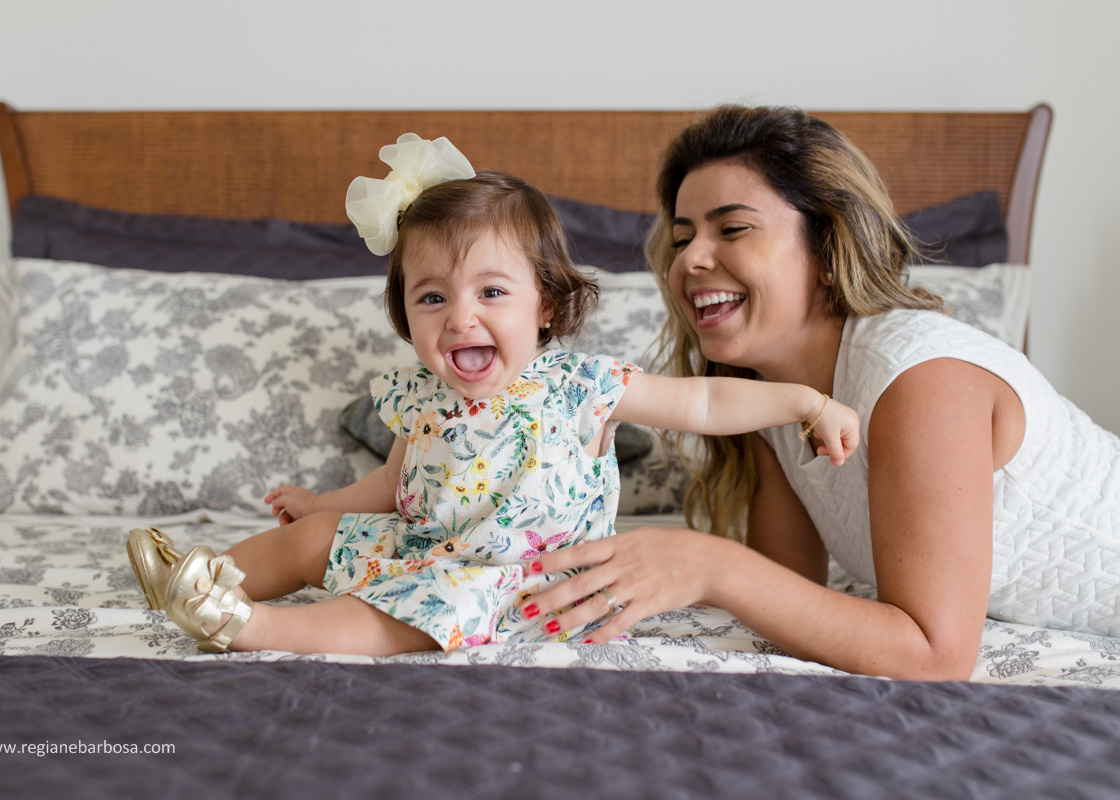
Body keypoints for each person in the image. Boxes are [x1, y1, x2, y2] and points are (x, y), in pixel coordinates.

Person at [126, 132, 859, 657]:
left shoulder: (581, 387)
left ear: (544, 306)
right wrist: (322, 508)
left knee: (402, 618)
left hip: (525, 585)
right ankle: (203, 577)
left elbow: (703, 406)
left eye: (492, 291)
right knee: (313, 541)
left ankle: (251, 629)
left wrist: (805, 403)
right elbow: (394, 484)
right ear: (406, 316)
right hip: (429, 547)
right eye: (433, 297)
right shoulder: (421, 398)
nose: (460, 316)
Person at [521, 104, 1120, 681]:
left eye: (732, 228)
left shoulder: (919, 376)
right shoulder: (769, 395)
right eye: (682, 239)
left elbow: (935, 658)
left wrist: (709, 564)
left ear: (827, 252)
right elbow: (787, 590)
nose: (692, 260)